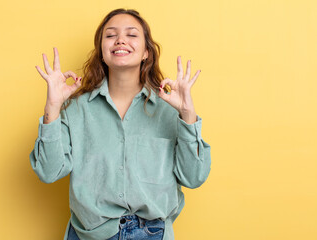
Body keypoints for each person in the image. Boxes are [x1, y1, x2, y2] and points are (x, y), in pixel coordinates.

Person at [29, 8, 211, 240]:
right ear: (102, 52)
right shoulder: (75, 109)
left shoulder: (171, 109)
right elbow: (48, 172)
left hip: (152, 233)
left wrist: (187, 114)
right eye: (111, 35)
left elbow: (194, 177)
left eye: (132, 34)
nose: (120, 40)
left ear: (146, 52)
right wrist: (52, 108)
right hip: (90, 234)